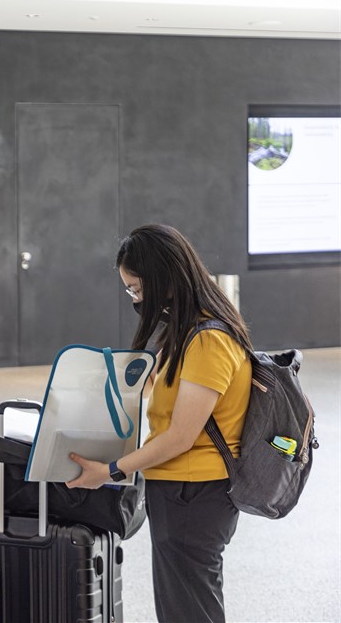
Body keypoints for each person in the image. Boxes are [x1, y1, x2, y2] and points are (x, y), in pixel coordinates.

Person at [66, 224, 252, 623]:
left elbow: (181, 437)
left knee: (189, 609)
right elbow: (159, 389)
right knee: (184, 604)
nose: (134, 299)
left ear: (163, 278)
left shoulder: (208, 339)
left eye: (136, 288)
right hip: (181, 491)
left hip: (194, 493)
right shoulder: (186, 330)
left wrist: (111, 470)